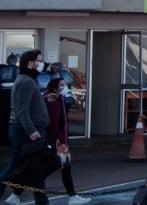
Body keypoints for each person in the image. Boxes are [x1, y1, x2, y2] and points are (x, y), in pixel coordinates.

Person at [5, 78, 90, 205]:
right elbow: (52, 123)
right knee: (44, 170)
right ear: (55, 88)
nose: (65, 87)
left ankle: (72, 196)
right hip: (53, 142)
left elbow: (62, 122)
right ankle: (15, 193)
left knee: (63, 167)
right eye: (62, 85)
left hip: (58, 141)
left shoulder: (59, 99)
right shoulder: (51, 100)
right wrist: (59, 141)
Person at [0, 49, 50, 205]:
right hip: (25, 130)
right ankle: (41, 201)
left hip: (24, 129)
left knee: (31, 166)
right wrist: (32, 131)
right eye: (39, 61)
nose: (42, 64)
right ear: (30, 63)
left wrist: (46, 98)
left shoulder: (26, 80)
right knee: (22, 165)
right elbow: (22, 110)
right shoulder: (26, 81)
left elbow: (26, 103)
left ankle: (37, 200)